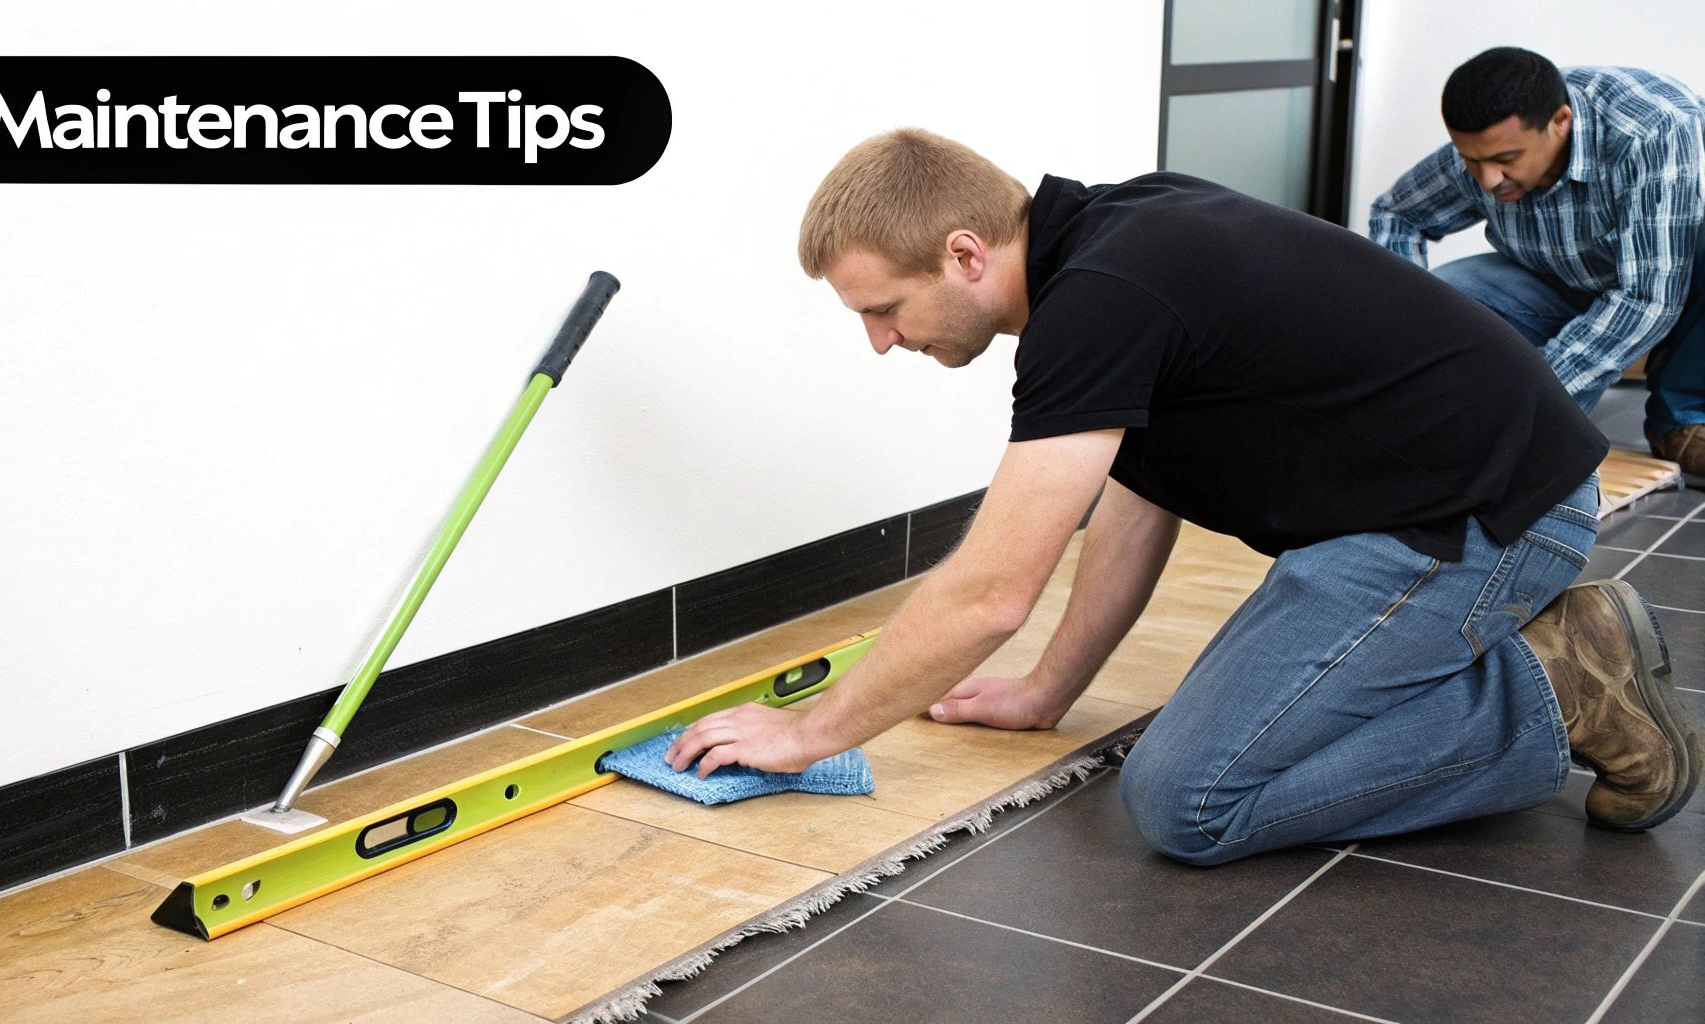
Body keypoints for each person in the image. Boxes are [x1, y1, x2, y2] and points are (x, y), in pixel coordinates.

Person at [665, 129, 1703, 863]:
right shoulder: (1115, 237)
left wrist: (812, 732)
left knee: (1188, 799)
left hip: (1476, 518)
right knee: (1237, 737)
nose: (880, 342)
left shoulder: (1098, 302)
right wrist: (1047, 689)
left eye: (884, 309)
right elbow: (1137, 491)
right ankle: (1507, 663)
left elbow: (988, 593)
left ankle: (1555, 681)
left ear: (963, 253)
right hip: (1429, 501)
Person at [1370, 47, 1705, 475]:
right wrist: (1402, 341)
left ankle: (1681, 416)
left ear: (1560, 122)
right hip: (1566, 282)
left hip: (1675, 285)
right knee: (1446, 296)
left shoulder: (1652, 130)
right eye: (1473, 160)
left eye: (1505, 161)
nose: (1488, 180)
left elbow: (1647, 299)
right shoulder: (1489, 142)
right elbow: (1396, 215)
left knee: (1522, 444)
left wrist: (1532, 398)